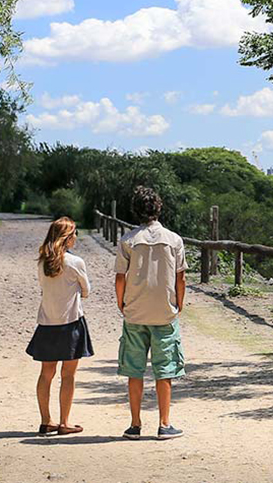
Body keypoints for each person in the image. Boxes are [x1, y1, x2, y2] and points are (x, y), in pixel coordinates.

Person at [115, 186, 187, 440]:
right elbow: (181, 278)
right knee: (164, 369)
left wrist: (121, 303)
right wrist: (179, 303)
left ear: (136, 210)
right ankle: (164, 423)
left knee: (134, 369)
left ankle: (135, 424)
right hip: (164, 312)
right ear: (158, 208)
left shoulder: (128, 241)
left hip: (135, 311)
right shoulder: (174, 240)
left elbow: (120, 278)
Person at [25, 216, 93, 437]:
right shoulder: (76, 263)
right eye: (74, 234)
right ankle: (65, 422)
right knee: (68, 375)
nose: (76, 238)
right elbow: (86, 291)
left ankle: (46, 421)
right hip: (71, 323)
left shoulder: (42, 262)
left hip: (47, 323)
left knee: (46, 374)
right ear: (68, 238)